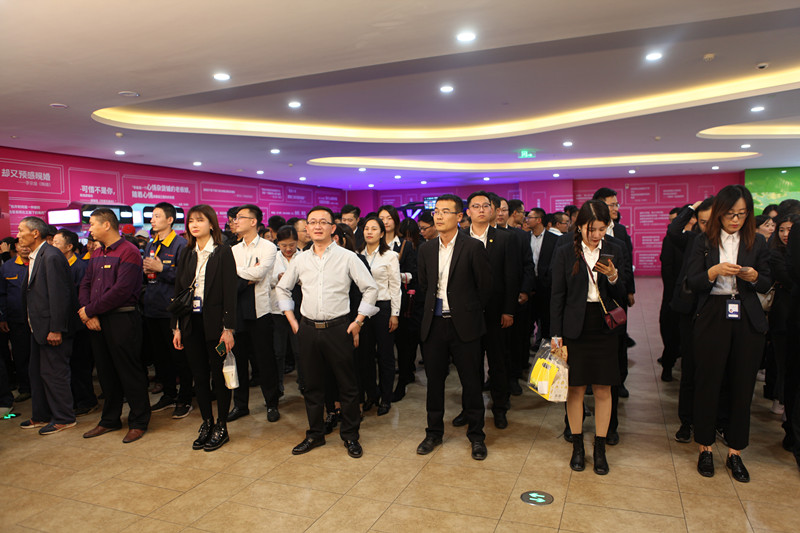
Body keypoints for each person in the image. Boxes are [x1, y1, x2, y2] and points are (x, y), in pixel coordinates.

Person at [277, 206, 379, 459]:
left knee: (348, 386)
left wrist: (359, 321)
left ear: (333, 228)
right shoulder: (300, 259)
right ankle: (315, 433)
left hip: (338, 329)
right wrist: (292, 319)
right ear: (307, 228)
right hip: (308, 329)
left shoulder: (347, 257)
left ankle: (350, 436)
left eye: (323, 222)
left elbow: (370, 289)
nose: (317, 226)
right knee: (311, 386)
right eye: (312, 222)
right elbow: (282, 288)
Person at [687, 185, 771, 483]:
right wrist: (714, 271)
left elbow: (767, 281)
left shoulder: (757, 241)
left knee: (742, 384)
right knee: (708, 382)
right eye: (730, 214)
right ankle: (705, 447)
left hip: (746, 315)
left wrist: (754, 276)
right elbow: (692, 281)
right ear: (719, 213)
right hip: (713, 313)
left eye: (742, 214)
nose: (735, 220)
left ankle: (736, 451)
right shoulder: (702, 241)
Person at [551, 200, 626, 475]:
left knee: (604, 389)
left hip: (604, 326)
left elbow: (624, 293)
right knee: (576, 389)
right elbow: (557, 296)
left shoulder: (616, 249)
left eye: (601, 229)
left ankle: (600, 447)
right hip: (575, 328)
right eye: (590, 229)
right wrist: (556, 336)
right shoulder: (564, 251)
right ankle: (578, 446)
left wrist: (614, 277)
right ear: (580, 226)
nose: (596, 235)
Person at [416, 194, 492, 461]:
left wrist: (466, 310)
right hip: (435, 324)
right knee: (434, 383)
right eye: (436, 211)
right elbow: (424, 287)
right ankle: (433, 433)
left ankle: (477, 436)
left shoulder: (472, 247)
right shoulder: (426, 249)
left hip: (465, 325)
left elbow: (485, 288)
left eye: (445, 211)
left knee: (471, 382)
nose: (438, 216)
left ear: (459, 217)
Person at [79, 208, 150, 443]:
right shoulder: (97, 252)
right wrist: (88, 312)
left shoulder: (129, 251)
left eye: (92, 224)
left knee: (129, 371)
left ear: (107, 225)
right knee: (105, 372)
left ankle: (139, 421)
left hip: (122, 318)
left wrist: (90, 310)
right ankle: (109, 419)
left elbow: (122, 290)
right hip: (98, 319)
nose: (89, 229)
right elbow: (86, 283)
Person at [172, 204, 237, 451]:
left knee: (219, 375)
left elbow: (230, 293)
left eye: (200, 220)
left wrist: (228, 328)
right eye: (191, 221)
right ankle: (207, 422)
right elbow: (179, 291)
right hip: (191, 321)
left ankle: (222, 425)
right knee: (198, 375)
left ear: (211, 224)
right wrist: (176, 327)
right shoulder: (187, 253)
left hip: (216, 324)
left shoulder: (222, 252)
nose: (194, 225)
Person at [458, 192, 519, 429]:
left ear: (492, 210)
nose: (481, 210)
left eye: (486, 206)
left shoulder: (505, 239)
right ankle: (469, 409)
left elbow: (511, 277)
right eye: (476, 206)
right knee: (469, 365)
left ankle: (500, 408)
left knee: (498, 362)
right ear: (468, 212)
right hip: (468, 314)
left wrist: (509, 310)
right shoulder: (460, 238)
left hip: (496, 312)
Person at [17, 217, 79, 435]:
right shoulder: (37, 255)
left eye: (21, 230)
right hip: (37, 327)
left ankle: (64, 417)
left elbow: (60, 295)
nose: (18, 235)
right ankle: (41, 415)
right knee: (37, 372)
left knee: (55, 373)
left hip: (52, 328)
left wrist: (56, 328)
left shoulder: (51, 256)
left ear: (35, 233)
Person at [667, 198, 714, 443]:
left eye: (711, 221)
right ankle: (686, 421)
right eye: (703, 221)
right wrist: (692, 209)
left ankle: (716, 420)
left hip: (716, 312)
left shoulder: (730, 244)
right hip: (690, 312)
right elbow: (674, 230)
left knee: (714, 371)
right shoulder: (694, 240)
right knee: (690, 368)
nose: (707, 226)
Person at [230, 204, 280, 423]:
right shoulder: (233, 250)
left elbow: (259, 273)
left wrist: (240, 275)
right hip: (237, 309)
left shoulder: (268, 247)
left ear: (253, 222)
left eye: (240, 217)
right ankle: (240, 405)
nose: (236, 221)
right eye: (235, 218)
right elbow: (229, 277)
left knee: (265, 360)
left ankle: (272, 403)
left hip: (261, 311)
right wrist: (246, 276)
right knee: (238, 361)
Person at [142, 202, 193, 419]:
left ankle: (185, 398)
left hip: (172, 310)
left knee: (179, 357)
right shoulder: (151, 244)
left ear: (170, 220)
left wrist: (162, 268)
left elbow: (186, 278)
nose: (152, 220)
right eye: (152, 216)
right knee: (161, 358)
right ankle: (169, 394)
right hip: (152, 307)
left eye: (157, 216)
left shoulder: (181, 245)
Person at [357, 215, 401, 416]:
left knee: (385, 355)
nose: (369, 232)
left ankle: (386, 397)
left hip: (383, 307)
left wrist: (395, 314)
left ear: (382, 233)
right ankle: (371, 395)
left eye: (374, 229)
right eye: (367, 228)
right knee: (364, 355)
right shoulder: (357, 255)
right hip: (363, 309)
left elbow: (395, 287)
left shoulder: (389, 256)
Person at [53, 229, 97, 416]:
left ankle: (87, 401)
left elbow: (81, 297)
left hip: (79, 324)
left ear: (69, 246)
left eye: (56, 243)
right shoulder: (58, 265)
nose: (52, 246)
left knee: (80, 364)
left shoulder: (79, 267)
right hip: (67, 324)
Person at [658, 206, 696, 382]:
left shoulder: (699, 239)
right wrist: (676, 291)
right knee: (671, 332)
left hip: (694, 295)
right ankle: (668, 365)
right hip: (674, 293)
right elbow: (667, 268)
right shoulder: (672, 239)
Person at [393, 218, 424, 401]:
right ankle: (408, 369)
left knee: (411, 337)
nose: (407, 240)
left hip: (414, 299)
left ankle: (408, 370)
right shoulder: (396, 247)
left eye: (410, 236)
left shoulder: (420, 248)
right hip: (403, 299)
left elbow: (418, 275)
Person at [270, 225, 303, 395]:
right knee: (278, 351)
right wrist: (277, 278)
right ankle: (278, 386)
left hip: (300, 308)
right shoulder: (273, 258)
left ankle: (303, 382)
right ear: (278, 243)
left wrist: (296, 279)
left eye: (291, 245)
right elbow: (265, 280)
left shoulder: (304, 257)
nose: (288, 249)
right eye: (284, 245)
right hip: (277, 310)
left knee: (300, 349)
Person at [0, 244, 31, 404]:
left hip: (37, 319)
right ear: (16, 248)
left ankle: (42, 388)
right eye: (21, 245)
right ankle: (25, 388)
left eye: (27, 245)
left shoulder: (38, 263)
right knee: (20, 355)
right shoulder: (7, 267)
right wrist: (3, 317)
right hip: (16, 320)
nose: (24, 248)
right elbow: (2, 294)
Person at [527, 208, 559, 348]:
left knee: (546, 321)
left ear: (539, 220)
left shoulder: (554, 239)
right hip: (528, 286)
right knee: (527, 321)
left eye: (530, 217)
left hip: (546, 287)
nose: (527, 220)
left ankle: (545, 350)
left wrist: (547, 282)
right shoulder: (524, 237)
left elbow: (555, 263)